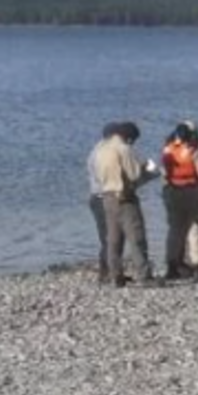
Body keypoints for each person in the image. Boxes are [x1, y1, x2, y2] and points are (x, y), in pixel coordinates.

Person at [88, 121, 158, 286]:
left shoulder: (100, 151)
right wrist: (148, 169)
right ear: (129, 137)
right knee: (136, 237)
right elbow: (134, 175)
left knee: (113, 239)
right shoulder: (124, 149)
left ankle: (115, 276)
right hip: (124, 198)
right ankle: (144, 276)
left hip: (106, 197)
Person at [159, 122, 198, 281]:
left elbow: (163, 174)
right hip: (192, 191)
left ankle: (172, 266)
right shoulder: (193, 151)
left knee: (175, 230)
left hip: (173, 191)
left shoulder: (167, 150)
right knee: (196, 229)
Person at [87, 121, 119, 282]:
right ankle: (106, 272)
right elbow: (105, 178)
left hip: (98, 197)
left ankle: (108, 270)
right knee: (109, 237)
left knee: (108, 237)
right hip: (102, 198)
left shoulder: (100, 150)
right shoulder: (103, 152)